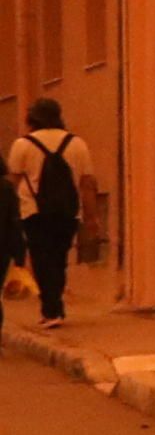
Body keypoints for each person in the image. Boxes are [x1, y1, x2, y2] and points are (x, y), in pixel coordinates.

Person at [11, 93, 95, 324]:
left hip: (33, 212)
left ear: (31, 119)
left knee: (41, 259)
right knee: (59, 258)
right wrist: (91, 216)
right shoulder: (77, 144)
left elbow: (13, 182)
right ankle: (54, 305)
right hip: (68, 211)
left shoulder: (23, 145)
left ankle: (51, 309)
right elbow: (87, 183)